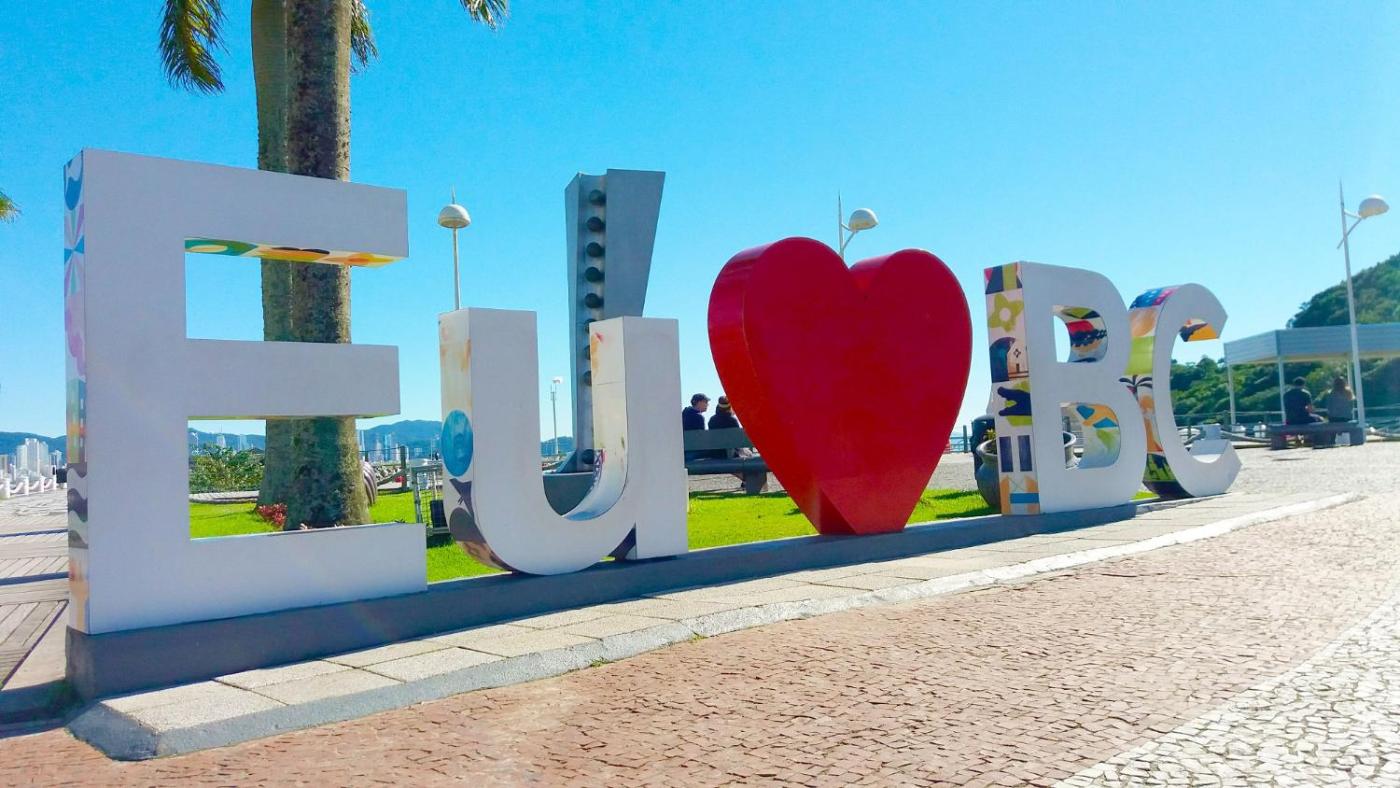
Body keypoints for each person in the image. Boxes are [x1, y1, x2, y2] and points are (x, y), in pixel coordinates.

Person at [682, 393, 709, 461]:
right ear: (699, 403)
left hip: (683, 450)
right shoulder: (698, 417)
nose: (707, 404)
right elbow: (701, 437)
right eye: (706, 402)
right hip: (694, 451)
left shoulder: (683, 414)